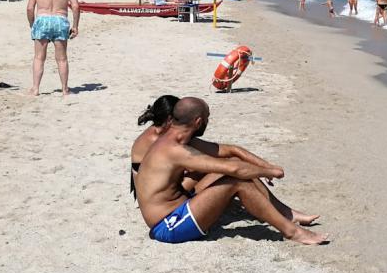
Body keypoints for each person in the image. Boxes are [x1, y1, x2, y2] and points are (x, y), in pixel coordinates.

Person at [133, 97, 328, 245]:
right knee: (237, 181)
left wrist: (267, 167)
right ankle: (292, 231)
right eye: (208, 118)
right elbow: (233, 169)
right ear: (198, 122)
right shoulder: (174, 149)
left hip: (179, 208)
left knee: (234, 170)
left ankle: (286, 213)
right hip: (167, 226)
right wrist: (266, 172)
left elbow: (229, 153)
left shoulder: (177, 139)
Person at [25, 0, 80, 98]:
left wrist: (32, 24)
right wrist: (75, 26)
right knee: (61, 59)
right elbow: (75, 6)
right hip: (60, 20)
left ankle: (36, 89)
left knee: (39, 57)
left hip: (42, 19)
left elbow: (30, 7)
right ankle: (64, 90)